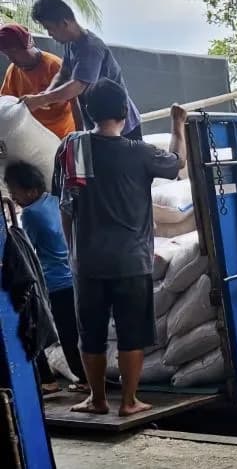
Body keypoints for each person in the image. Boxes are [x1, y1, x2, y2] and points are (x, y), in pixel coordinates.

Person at [56, 78, 186, 417]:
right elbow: (177, 162)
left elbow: (66, 206)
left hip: (87, 261)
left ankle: (97, 399)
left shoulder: (73, 148)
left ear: (87, 110)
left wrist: (74, 251)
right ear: (126, 112)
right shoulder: (141, 153)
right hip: (131, 261)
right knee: (131, 333)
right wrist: (177, 124)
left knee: (91, 333)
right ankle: (129, 401)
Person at [4, 161, 87, 394]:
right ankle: (85, 376)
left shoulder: (30, 214)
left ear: (30, 191)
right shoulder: (54, 202)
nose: (14, 198)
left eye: (14, 193)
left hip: (53, 282)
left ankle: (78, 379)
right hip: (73, 276)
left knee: (64, 333)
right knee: (78, 330)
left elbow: (27, 251)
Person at [24, 0, 142, 139]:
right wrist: (46, 94)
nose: (49, 34)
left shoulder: (90, 48)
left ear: (64, 23)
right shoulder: (70, 43)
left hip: (120, 124)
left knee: (128, 160)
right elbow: (64, 73)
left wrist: (41, 100)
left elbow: (78, 86)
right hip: (98, 123)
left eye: (50, 28)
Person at [0, 23, 76, 139]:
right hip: (29, 135)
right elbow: (5, 102)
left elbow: (76, 104)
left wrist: (79, 138)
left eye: (13, 52)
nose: (10, 58)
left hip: (59, 135)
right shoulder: (13, 70)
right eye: (6, 54)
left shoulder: (55, 66)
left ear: (26, 46)